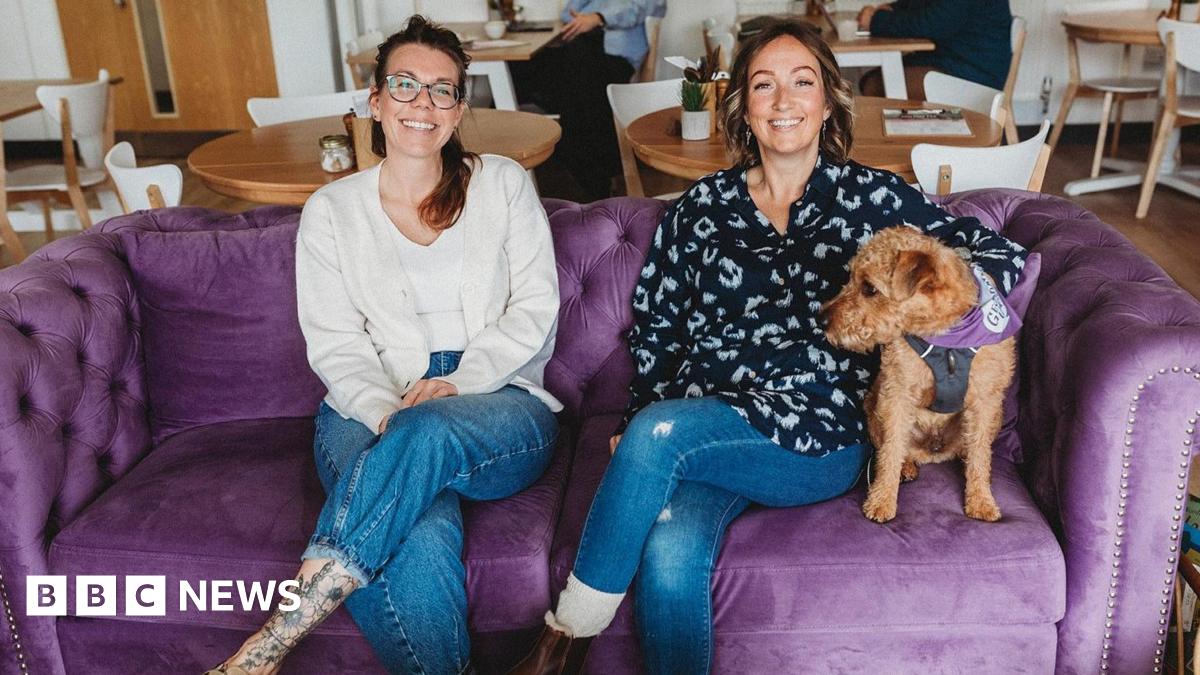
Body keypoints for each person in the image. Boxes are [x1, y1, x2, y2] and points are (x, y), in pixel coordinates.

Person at [509, 18, 1029, 675]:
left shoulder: (870, 196)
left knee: (658, 431)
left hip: (814, 434)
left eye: (802, 81)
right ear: (743, 106)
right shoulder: (701, 207)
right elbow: (660, 326)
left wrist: (948, 312)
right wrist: (648, 408)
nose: (784, 99)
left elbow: (993, 250)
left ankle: (559, 647)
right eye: (764, 84)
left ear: (826, 99)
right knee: (669, 546)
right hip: (708, 424)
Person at [205, 15, 562, 675]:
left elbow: (536, 308)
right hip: (365, 398)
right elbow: (335, 343)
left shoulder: (504, 183)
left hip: (499, 399)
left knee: (425, 436)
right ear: (375, 102)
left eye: (441, 90)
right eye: (404, 85)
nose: (421, 104)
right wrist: (381, 411)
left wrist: (459, 382)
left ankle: (271, 642)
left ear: (459, 110)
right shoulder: (332, 211)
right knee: (416, 529)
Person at [511, 0, 665, 200]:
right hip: (581, 52)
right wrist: (588, 19)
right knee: (518, 69)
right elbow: (569, 13)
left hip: (615, 59)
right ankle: (505, 170)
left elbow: (654, 5)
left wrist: (599, 17)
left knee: (576, 69)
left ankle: (585, 175)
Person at [857, 0, 1013, 100]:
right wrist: (891, 8)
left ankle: (903, 146)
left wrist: (876, 21)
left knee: (875, 83)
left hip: (973, 74)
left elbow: (932, 23)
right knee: (878, 78)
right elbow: (928, 6)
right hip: (959, 61)